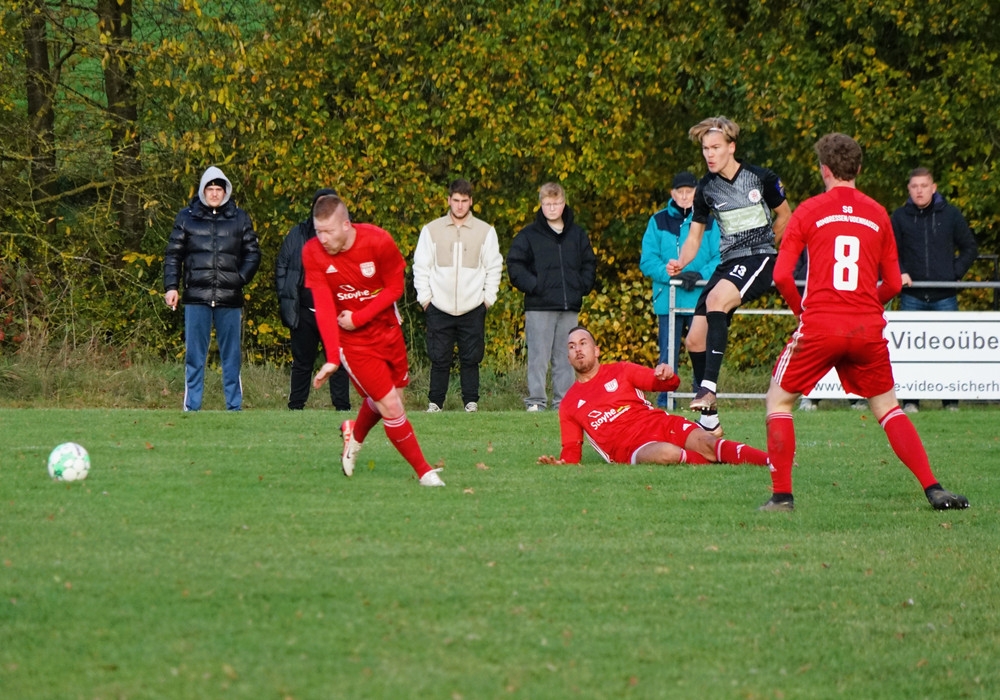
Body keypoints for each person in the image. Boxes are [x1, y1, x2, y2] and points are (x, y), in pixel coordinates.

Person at [760, 132, 968, 512]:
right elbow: (891, 282)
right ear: (858, 169)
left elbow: (782, 276)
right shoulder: (877, 213)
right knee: (888, 407)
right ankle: (933, 487)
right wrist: (863, 305)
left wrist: (802, 313)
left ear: (824, 170)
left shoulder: (808, 210)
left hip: (821, 324)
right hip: (866, 328)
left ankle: (782, 497)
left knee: (779, 400)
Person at [303, 194, 444, 487]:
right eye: (318, 231)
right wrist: (331, 357)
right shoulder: (312, 252)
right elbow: (325, 306)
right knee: (392, 408)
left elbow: (394, 288)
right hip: (353, 344)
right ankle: (424, 472)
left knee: (392, 402)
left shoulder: (378, 241)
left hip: (388, 331)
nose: (322, 238)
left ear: (346, 224)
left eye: (328, 231)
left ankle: (353, 434)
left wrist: (359, 316)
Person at [667, 116, 792, 437]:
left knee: (717, 301)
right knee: (695, 338)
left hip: (760, 259)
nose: (709, 154)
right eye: (705, 149)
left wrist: (770, 248)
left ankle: (707, 388)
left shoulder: (760, 178)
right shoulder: (705, 189)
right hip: (729, 264)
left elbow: (785, 215)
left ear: (731, 147)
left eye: (715, 148)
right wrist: (680, 262)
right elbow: (694, 237)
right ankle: (710, 420)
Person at [536, 327, 770, 467]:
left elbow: (669, 383)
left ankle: (770, 462)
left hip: (660, 423)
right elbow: (571, 451)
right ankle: (716, 463)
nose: (578, 349)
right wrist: (562, 464)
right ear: (567, 358)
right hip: (630, 448)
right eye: (571, 346)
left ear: (596, 351)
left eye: (583, 343)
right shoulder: (568, 404)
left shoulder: (622, 370)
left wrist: (666, 376)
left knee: (709, 442)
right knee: (667, 453)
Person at [163, 166, 261, 411]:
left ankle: (234, 407)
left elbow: (253, 253)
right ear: (203, 190)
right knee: (195, 357)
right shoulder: (186, 217)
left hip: (230, 298)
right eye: (211, 189)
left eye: (219, 189)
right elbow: (173, 255)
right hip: (196, 298)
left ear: (225, 191)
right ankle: (191, 407)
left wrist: (239, 279)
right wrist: (171, 287)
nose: (215, 194)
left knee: (232, 358)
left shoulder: (239, 218)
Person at [891, 167, 978, 413]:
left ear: (933, 187)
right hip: (912, 297)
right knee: (910, 352)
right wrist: (900, 270)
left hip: (945, 296)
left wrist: (954, 273)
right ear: (909, 189)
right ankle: (911, 401)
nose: (919, 190)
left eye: (923, 185)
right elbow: (889, 251)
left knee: (948, 351)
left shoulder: (950, 215)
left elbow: (970, 247)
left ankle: (950, 401)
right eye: (914, 186)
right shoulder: (899, 217)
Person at [413, 179, 503, 413]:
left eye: (464, 201)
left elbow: (494, 266)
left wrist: (487, 300)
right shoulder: (431, 230)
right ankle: (435, 403)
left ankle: (471, 403)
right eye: (456, 200)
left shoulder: (486, 231)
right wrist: (425, 299)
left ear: (471, 201)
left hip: (473, 305)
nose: (460, 205)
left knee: (471, 358)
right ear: (449, 200)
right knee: (439, 357)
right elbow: (421, 266)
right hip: (438, 306)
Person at [507, 182, 597, 412]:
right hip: (539, 306)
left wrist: (582, 286)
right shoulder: (528, 235)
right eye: (547, 204)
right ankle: (536, 401)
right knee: (538, 357)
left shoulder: (577, 234)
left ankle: (563, 402)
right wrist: (535, 286)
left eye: (556, 203)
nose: (552, 208)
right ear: (541, 205)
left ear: (563, 203)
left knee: (566, 357)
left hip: (569, 306)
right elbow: (515, 265)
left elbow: (589, 263)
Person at [640, 171, 721, 408]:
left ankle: (703, 398)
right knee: (667, 354)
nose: (685, 196)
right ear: (672, 194)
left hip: (701, 297)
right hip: (668, 299)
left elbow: (719, 256)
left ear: (697, 192)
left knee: (702, 351)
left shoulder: (710, 221)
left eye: (689, 191)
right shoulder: (658, 221)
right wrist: (670, 272)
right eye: (680, 191)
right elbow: (647, 260)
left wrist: (700, 275)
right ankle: (666, 401)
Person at [275, 188, 351, 411]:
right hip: (305, 310)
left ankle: (342, 406)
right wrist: (287, 299)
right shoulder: (298, 234)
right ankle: (296, 406)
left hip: (336, 311)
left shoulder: (347, 235)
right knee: (302, 362)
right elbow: (282, 266)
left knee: (338, 361)